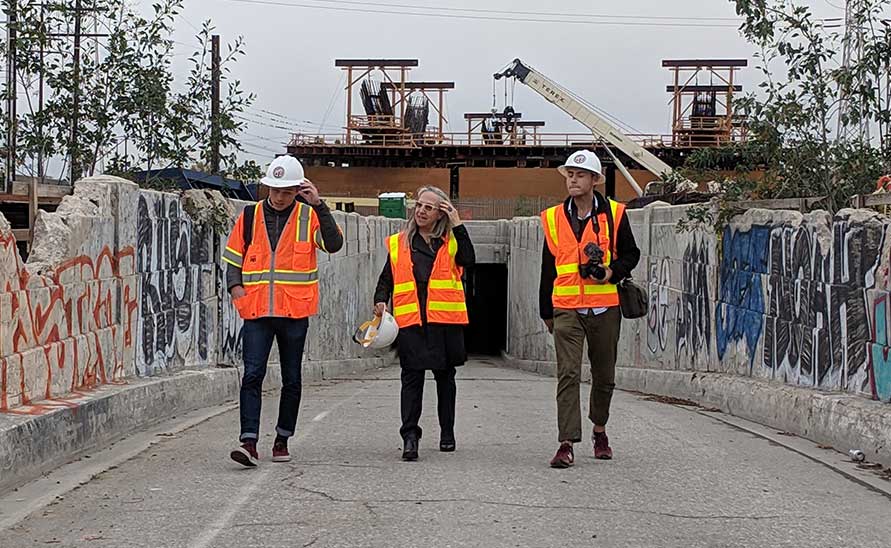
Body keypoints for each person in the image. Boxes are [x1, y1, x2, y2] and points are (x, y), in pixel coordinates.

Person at [222, 155, 343, 467]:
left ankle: (282, 439)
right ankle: (248, 442)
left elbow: (333, 244)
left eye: (287, 192)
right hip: (257, 311)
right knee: (252, 374)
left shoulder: (308, 216)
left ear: (298, 190)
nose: (279, 197)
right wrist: (236, 288)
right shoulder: (249, 216)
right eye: (275, 190)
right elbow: (233, 258)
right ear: (267, 188)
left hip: (293, 312)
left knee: (291, 378)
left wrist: (320, 205)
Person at [539, 150, 640, 468]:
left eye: (580, 175)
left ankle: (599, 430)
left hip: (604, 308)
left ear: (595, 180)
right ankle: (566, 443)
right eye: (569, 174)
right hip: (566, 307)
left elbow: (631, 254)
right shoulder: (553, 218)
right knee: (568, 374)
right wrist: (546, 311)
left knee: (604, 375)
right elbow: (548, 267)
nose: (573, 179)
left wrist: (611, 272)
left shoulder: (615, 214)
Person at [373, 186, 475, 461]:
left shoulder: (451, 241)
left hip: (444, 322)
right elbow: (386, 278)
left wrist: (457, 223)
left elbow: (468, 259)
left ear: (441, 213)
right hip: (412, 321)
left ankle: (447, 432)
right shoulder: (401, 242)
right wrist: (380, 300)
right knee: (411, 378)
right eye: (419, 205)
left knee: (445, 379)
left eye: (429, 207)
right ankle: (410, 436)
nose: (421, 211)